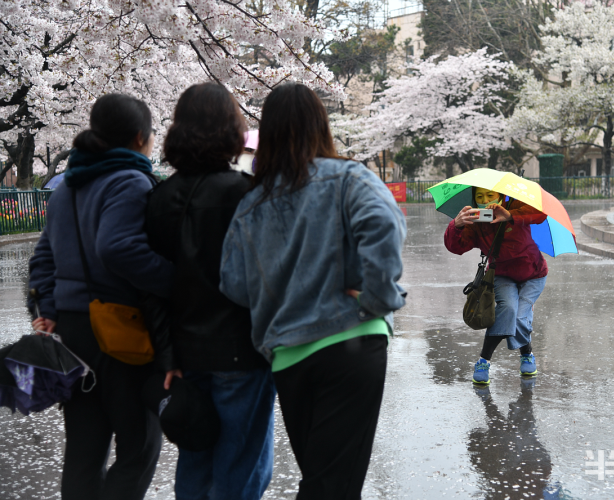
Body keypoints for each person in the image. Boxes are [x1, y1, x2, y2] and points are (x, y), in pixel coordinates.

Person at [219, 83, 406, 500]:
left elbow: (232, 283)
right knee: (332, 487)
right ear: (321, 125)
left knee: (322, 479)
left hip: (289, 356)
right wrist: (378, 299)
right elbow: (384, 227)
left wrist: (280, 292)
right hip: (351, 343)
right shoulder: (348, 177)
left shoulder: (251, 205)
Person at [27, 94, 174, 499]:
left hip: (73, 334)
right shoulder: (129, 180)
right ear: (140, 136)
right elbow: (118, 247)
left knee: (84, 448)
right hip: (118, 330)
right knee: (139, 445)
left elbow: (42, 258)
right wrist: (174, 280)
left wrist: (50, 310)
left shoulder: (65, 190)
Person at [145, 82, 275, 500]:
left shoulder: (158, 197)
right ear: (232, 131)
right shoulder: (246, 193)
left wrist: (166, 353)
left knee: (196, 455)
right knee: (241, 461)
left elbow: (152, 285)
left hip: (183, 352)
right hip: (243, 349)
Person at [444, 187, 548, 384]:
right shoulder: (475, 220)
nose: (485, 201)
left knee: (518, 316)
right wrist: (456, 226)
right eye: (479, 197)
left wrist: (509, 215)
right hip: (501, 274)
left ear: (501, 196)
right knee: (508, 309)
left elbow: (540, 213)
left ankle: (526, 355)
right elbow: (456, 247)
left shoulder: (515, 204)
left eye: (490, 196)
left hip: (533, 274)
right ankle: (484, 362)